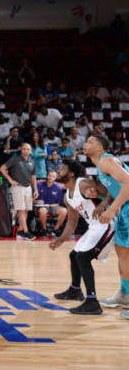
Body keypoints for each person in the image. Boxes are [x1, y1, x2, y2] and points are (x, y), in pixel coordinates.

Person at [50, 159, 114, 314]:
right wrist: (61, 239)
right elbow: (72, 222)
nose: (59, 171)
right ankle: (75, 290)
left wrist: (103, 203)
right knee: (74, 255)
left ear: (71, 174)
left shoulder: (83, 184)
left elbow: (112, 191)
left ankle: (92, 302)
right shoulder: (67, 196)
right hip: (94, 227)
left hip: (107, 224)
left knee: (83, 258)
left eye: (62, 169)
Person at [83, 134, 129, 315]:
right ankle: (125, 295)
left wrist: (112, 209)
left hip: (125, 206)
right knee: (123, 250)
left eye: (90, 141)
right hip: (125, 208)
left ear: (100, 148)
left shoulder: (105, 161)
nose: (86, 144)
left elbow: (128, 182)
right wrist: (104, 203)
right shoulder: (101, 164)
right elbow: (116, 187)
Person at [0, 143, 39, 240]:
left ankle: (20, 231)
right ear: (21, 150)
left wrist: (35, 189)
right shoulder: (15, 159)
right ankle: (26, 232)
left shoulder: (32, 161)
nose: (25, 151)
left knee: (25, 210)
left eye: (27, 149)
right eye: (24, 149)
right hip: (18, 187)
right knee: (21, 210)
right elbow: (2, 168)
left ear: (30, 151)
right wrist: (10, 180)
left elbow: (33, 177)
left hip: (28, 187)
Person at [35, 170, 67, 237]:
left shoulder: (58, 188)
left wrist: (49, 205)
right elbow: (31, 199)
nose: (50, 177)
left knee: (64, 211)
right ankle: (44, 229)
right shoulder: (38, 185)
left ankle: (56, 229)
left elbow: (58, 203)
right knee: (43, 210)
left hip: (53, 206)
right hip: (41, 207)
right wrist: (36, 201)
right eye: (49, 175)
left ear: (56, 177)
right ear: (47, 176)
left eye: (53, 176)